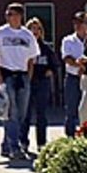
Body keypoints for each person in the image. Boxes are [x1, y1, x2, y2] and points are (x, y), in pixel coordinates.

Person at [0, 3, 40, 161]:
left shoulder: (27, 35)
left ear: (19, 16)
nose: (9, 17)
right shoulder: (0, 33)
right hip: (7, 74)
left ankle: (6, 144)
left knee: (22, 114)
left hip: (23, 75)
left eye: (12, 14)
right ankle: (14, 148)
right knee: (11, 113)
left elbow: (32, 58)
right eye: (8, 14)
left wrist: (29, 77)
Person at [23, 17, 60, 152]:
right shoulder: (24, 47)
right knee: (25, 114)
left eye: (38, 29)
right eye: (32, 29)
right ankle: (23, 142)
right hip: (27, 82)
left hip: (42, 83)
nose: (35, 31)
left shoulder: (45, 48)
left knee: (41, 114)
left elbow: (55, 64)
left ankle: (41, 143)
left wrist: (50, 71)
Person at [60, 12, 87, 137]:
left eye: (80, 22)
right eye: (75, 22)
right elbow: (67, 58)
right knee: (71, 108)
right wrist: (79, 65)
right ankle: (70, 136)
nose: (77, 25)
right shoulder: (68, 40)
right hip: (73, 77)